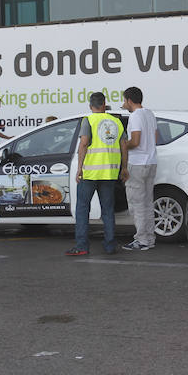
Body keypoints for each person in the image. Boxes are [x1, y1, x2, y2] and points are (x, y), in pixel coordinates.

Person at [66, 92, 128, 256]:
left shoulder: (89, 120)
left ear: (90, 106)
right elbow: (124, 146)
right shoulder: (116, 121)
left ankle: (82, 246)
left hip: (91, 173)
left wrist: (79, 168)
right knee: (107, 210)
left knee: (82, 209)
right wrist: (124, 168)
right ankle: (110, 245)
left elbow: (84, 144)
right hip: (109, 173)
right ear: (104, 104)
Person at [121, 87, 157, 251]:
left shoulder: (135, 116)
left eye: (124, 100)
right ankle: (149, 238)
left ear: (129, 100)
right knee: (148, 203)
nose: (124, 104)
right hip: (151, 161)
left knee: (137, 203)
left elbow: (135, 141)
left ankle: (141, 240)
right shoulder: (150, 114)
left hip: (137, 163)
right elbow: (155, 137)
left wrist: (121, 145)